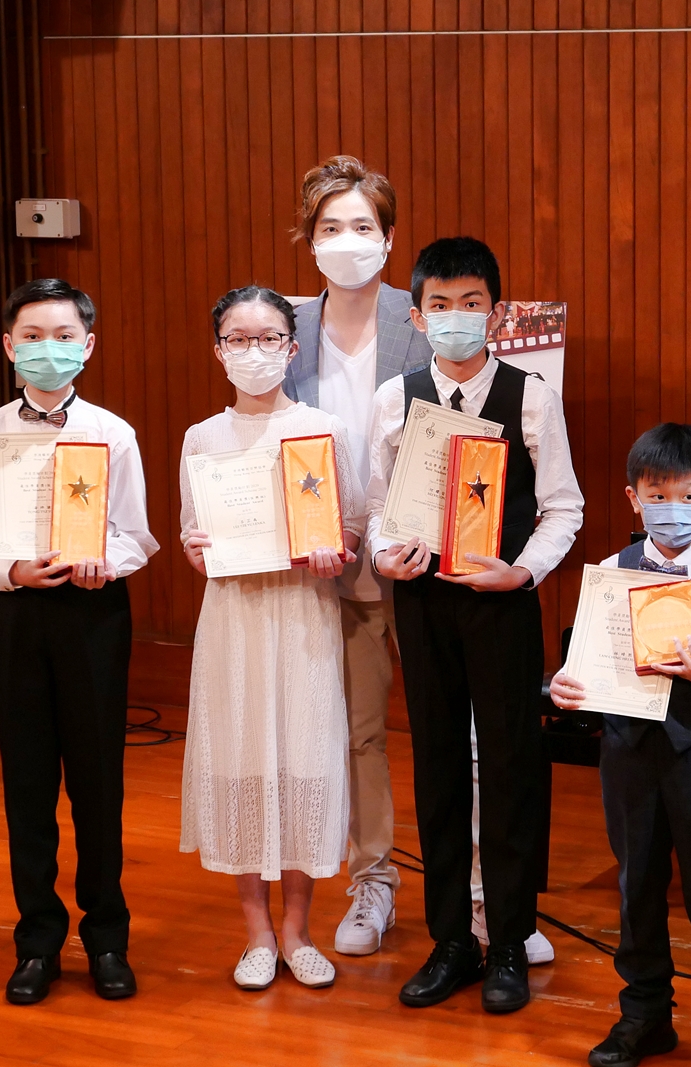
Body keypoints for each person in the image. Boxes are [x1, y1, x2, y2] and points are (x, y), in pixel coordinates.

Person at [368, 236, 584, 1014]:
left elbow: (564, 506)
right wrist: (385, 553)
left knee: (512, 764)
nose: (455, 316)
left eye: (471, 303)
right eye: (440, 304)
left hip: (501, 600)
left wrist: (521, 570)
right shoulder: (394, 398)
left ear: (494, 312)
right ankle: (451, 940)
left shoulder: (532, 395)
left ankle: (510, 940)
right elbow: (374, 504)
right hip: (423, 601)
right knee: (436, 766)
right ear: (418, 315)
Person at [0, 278, 159, 1005]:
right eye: (32, 337)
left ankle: (107, 938)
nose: (47, 349)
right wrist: (10, 570)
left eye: (63, 336)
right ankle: (37, 941)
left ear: (87, 346)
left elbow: (136, 535)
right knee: (27, 782)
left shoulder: (112, 433)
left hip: (92, 613)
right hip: (14, 613)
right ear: (9, 347)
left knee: (98, 781)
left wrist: (104, 561)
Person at [550, 423, 691, 1067]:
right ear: (633, 498)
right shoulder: (610, 573)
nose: (671, 508)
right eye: (657, 495)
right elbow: (587, 663)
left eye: (687, 496)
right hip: (627, 753)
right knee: (637, 885)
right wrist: (569, 685)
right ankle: (644, 1014)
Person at [178, 285, 363, 991]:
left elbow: (349, 524)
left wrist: (334, 550)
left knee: (303, 764)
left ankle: (298, 930)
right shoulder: (202, 437)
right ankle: (256, 933)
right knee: (243, 765)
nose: (253, 351)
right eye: (238, 338)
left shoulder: (323, 430)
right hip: (234, 620)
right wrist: (197, 549)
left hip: (302, 615)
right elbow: (195, 535)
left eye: (268, 338)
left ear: (291, 349)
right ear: (217, 350)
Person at [284, 155, 433, 957]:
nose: (348, 240)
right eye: (331, 227)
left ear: (389, 237)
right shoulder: (284, 325)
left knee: (457, 734)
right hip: (331, 564)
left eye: (363, 226)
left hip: (425, 558)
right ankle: (372, 881)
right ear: (310, 240)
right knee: (358, 734)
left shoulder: (428, 316)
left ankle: (478, 890)